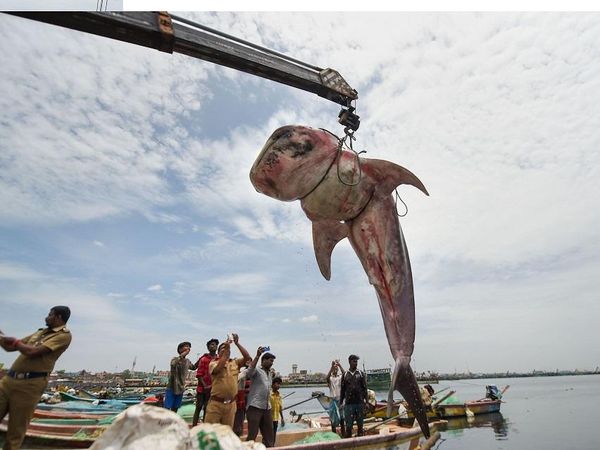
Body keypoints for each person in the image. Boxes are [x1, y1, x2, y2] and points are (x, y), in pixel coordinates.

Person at [0, 306, 72, 450]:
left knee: (15, 432)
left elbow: (32, 352)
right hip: (8, 381)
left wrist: (15, 341)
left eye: (50, 315)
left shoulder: (64, 336)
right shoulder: (40, 332)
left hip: (29, 386)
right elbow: (10, 347)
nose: (47, 317)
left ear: (58, 317)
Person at [204, 334, 251, 428]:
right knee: (209, 433)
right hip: (216, 404)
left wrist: (237, 343)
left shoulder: (235, 363)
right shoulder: (213, 363)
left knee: (226, 433)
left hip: (231, 405)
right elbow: (218, 368)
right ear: (218, 352)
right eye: (222, 348)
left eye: (226, 348)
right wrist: (227, 350)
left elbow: (247, 357)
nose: (225, 349)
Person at [245, 347, 276, 447]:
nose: (272, 363)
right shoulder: (257, 370)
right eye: (270, 361)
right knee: (252, 435)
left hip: (267, 408)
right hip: (255, 407)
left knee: (269, 436)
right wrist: (257, 355)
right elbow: (249, 372)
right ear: (264, 360)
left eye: (273, 361)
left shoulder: (270, 373)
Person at [164, 341, 198, 412]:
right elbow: (173, 364)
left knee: (175, 408)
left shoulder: (187, 361)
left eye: (189, 347)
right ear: (180, 349)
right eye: (186, 346)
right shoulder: (175, 359)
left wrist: (200, 360)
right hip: (171, 387)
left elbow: (194, 367)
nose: (188, 348)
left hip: (180, 388)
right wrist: (182, 355)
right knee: (167, 407)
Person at [340, 354, 367, 438]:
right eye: (354, 361)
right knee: (348, 426)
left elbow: (365, 388)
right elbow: (342, 390)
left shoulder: (361, 374)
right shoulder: (345, 375)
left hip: (359, 403)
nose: (355, 363)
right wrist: (341, 403)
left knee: (360, 426)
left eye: (356, 361)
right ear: (349, 362)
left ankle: (360, 441)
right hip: (349, 404)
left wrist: (367, 402)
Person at [192, 338, 219, 426]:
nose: (212, 346)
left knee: (207, 409)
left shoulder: (219, 359)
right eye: (210, 345)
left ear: (216, 346)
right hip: (202, 388)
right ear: (208, 347)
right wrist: (204, 386)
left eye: (214, 344)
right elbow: (199, 374)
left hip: (213, 388)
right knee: (198, 407)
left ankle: (204, 427)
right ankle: (194, 426)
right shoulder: (203, 359)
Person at [326, 359, 345, 435]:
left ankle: (343, 431)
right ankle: (333, 433)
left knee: (342, 416)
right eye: (334, 369)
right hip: (332, 399)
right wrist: (331, 367)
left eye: (336, 369)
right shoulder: (330, 378)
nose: (335, 370)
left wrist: (339, 365)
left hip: (340, 399)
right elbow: (327, 378)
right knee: (332, 417)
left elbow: (345, 374)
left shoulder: (340, 377)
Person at [233, 363, 251, 436]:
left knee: (241, 420)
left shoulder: (247, 375)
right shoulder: (240, 375)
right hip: (238, 402)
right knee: (238, 422)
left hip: (243, 401)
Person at [270, 376, 285, 443]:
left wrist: (282, 418)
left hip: (275, 419)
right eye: (277, 383)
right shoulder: (269, 394)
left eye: (280, 384)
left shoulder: (279, 395)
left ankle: (272, 446)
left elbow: (280, 408)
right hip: (269, 418)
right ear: (273, 384)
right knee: (267, 435)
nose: (279, 385)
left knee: (274, 434)